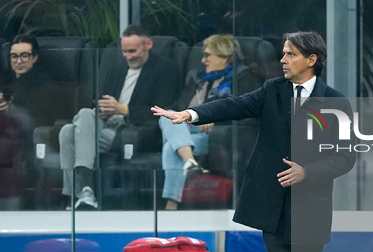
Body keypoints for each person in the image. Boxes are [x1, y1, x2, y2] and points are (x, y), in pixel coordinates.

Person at [152, 31, 356, 252]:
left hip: (311, 205)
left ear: (311, 60)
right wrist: (190, 114)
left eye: (290, 54)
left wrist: (308, 171)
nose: (283, 60)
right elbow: (234, 105)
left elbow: (346, 157)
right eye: (283, 53)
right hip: (272, 201)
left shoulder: (335, 102)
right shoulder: (272, 90)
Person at [59, 24, 180, 209]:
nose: (128, 56)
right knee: (73, 125)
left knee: (70, 132)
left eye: (132, 51)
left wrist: (124, 109)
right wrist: (100, 108)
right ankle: (84, 194)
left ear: (148, 44)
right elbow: (100, 99)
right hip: (104, 124)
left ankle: (78, 194)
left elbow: (163, 111)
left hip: (132, 131)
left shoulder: (166, 69)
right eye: (124, 51)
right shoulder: (116, 69)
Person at [160, 34, 258, 210]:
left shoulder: (242, 78)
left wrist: (214, 116)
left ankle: (172, 203)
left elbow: (245, 110)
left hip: (211, 135)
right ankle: (190, 161)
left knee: (171, 148)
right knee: (167, 115)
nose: (203, 60)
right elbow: (179, 106)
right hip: (185, 132)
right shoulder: (198, 79)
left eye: (208, 55)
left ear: (225, 58)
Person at [0, 34, 56, 210]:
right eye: (14, 56)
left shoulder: (44, 83)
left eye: (24, 55)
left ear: (35, 57)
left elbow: (41, 116)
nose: (18, 61)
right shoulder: (5, 80)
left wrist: (8, 110)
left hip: (31, 136)